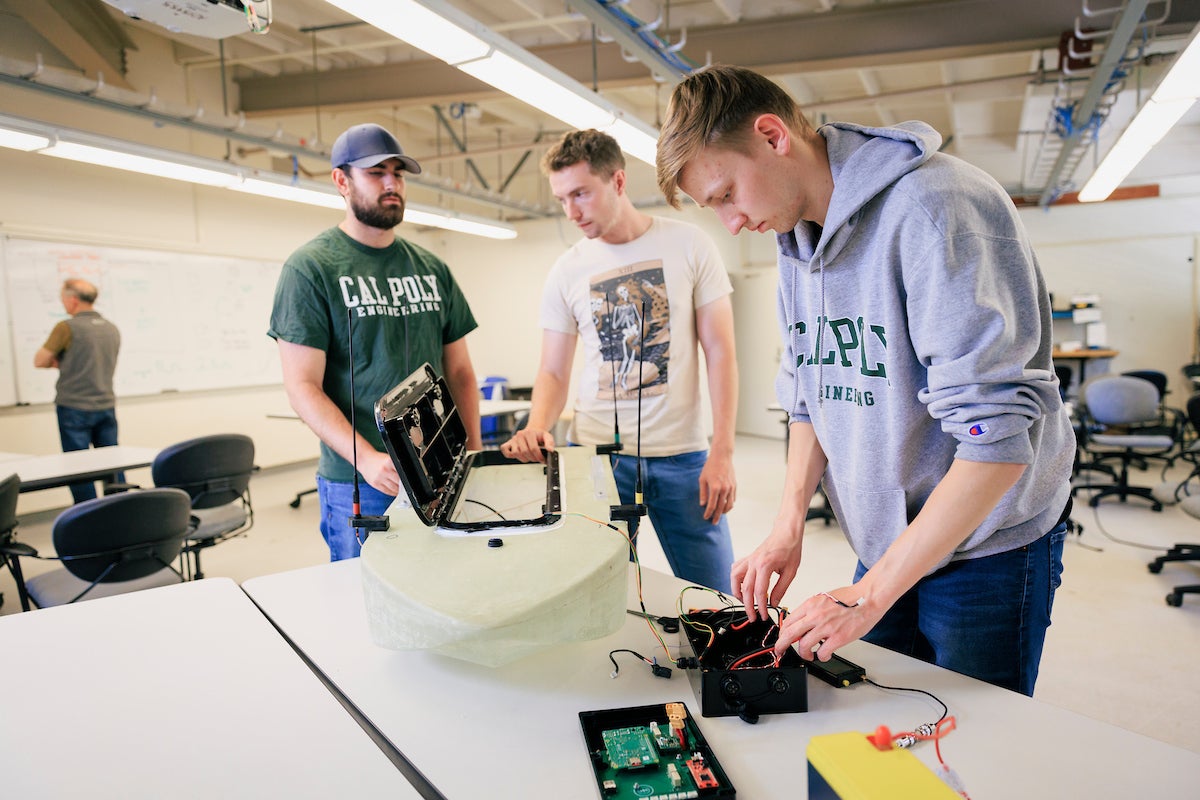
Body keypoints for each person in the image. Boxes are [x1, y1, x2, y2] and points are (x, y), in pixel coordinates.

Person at [656, 65, 1075, 695]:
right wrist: (788, 523)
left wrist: (870, 595)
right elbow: (809, 392)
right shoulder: (796, 238)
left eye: (725, 195)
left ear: (773, 137)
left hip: (985, 550)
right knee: (882, 725)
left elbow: (995, 442)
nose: (731, 223)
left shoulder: (935, 209)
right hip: (885, 538)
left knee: (970, 745)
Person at [501, 129, 738, 592]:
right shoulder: (567, 269)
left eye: (581, 194)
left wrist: (724, 451)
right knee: (598, 594)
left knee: (717, 597)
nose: (572, 212)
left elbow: (721, 352)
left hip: (683, 456)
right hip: (597, 459)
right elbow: (552, 370)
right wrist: (537, 424)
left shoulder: (690, 245)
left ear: (618, 181)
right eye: (562, 199)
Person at [269, 122, 482, 561]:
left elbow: (458, 370)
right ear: (341, 181)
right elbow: (302, 387)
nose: (392, 184)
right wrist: (365, 458)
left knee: (445, 591)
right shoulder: (311, 268)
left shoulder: (431, 268)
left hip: (439, 469)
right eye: (376, 173)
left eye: (398, 174)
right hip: (362, 479)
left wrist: (473, 451)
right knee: (363, 605)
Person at [34, 278, 123, 503]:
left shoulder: (66, 327)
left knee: (78, 467)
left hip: (74, 407)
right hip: (105, 404)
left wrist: (60, 361)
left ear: (73, 300)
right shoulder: (111, 328)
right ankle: (121, 508)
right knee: (113, 463)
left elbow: (40, 360)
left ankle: (87, 513)